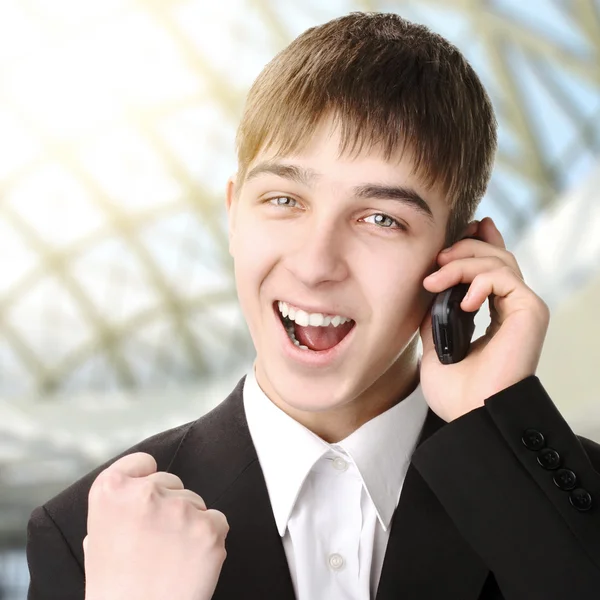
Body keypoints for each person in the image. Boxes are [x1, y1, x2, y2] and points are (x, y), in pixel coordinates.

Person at [26, 11, 600, 600]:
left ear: (458, 260)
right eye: (283, 199)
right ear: (233, 215)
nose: (315, 263)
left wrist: (496, 419)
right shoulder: (85, 535)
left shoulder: (560, 503)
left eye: (381, 218)